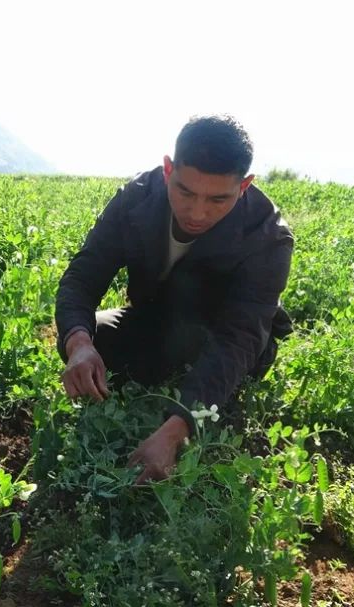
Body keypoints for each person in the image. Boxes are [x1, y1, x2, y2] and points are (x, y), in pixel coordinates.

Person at [54, 114, 294, 484]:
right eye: (185, 191)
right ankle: (165, 371)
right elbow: (83, 276)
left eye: (218, 199)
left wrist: (177, 429)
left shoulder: (267, 237)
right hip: (156, 321)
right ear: (168, 170)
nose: (198, 212)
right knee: (91, 335)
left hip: (219, 335)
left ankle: (193, 395)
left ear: (244, 186)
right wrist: (79, 343)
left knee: (237, 362)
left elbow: (238, 339)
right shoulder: (135, 199)